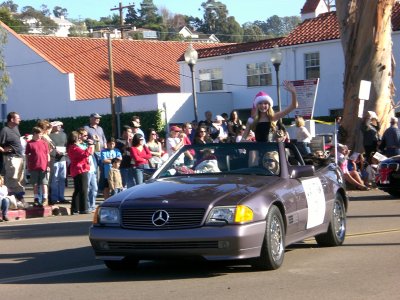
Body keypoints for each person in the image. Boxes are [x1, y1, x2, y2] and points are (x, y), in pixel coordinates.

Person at [0, 112, 26, 204]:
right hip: (11, 158)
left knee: (19, 179)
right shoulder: (5, 130)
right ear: (11, 119)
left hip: (19, 157)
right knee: (12, 179)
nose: (20, 119)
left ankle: (18, 199)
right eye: (18, 118)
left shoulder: (16, 128)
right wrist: (3, 150)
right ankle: (13, 199)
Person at [67, 131, 94, 215]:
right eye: (78, 137)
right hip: (80, 169)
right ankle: (83, 208)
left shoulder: (73, 147)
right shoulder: (74, 147)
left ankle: (76, 209)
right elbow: (85, 154)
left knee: (79, 190)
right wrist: (91, 145)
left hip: (79, 169)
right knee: (83, 190)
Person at [25, 127, 50, 206]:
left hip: (43, 166)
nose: (41, 135)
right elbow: (27, 155)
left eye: (42, 134)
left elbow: (47, 155)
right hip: (34, 166)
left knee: (44, 183)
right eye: (39, 134)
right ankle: (36, 198)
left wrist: (48, 165)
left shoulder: (44, 143)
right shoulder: (29, 143)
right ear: (35, 134)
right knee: (35, 183)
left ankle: (45, 198)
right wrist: (28, 165)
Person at [77, 128, 98, 213]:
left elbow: (94, 151)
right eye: (85, 135)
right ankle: (88, 206)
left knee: (94, 188)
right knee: (87, 188)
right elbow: (87, 153)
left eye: (87, 135)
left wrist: (95, 143)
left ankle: (92, 206)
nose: (87, 137)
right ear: (80, 136)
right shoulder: (79, 145)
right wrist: (90, 146)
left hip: (92, 168)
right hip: (86, 169)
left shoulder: (87, 144)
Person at [48, 121, 67, 204]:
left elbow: (66, 145)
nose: (59, 126)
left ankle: (61, 197)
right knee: (54, 179)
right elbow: (49, 148)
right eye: (57, 125)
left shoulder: (63, 134)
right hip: (54, 159)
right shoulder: (49, 136)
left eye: (60, 125)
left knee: (62, 179)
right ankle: (54, 198)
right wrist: (55, 152)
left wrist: (66, 152)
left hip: (63, 159)